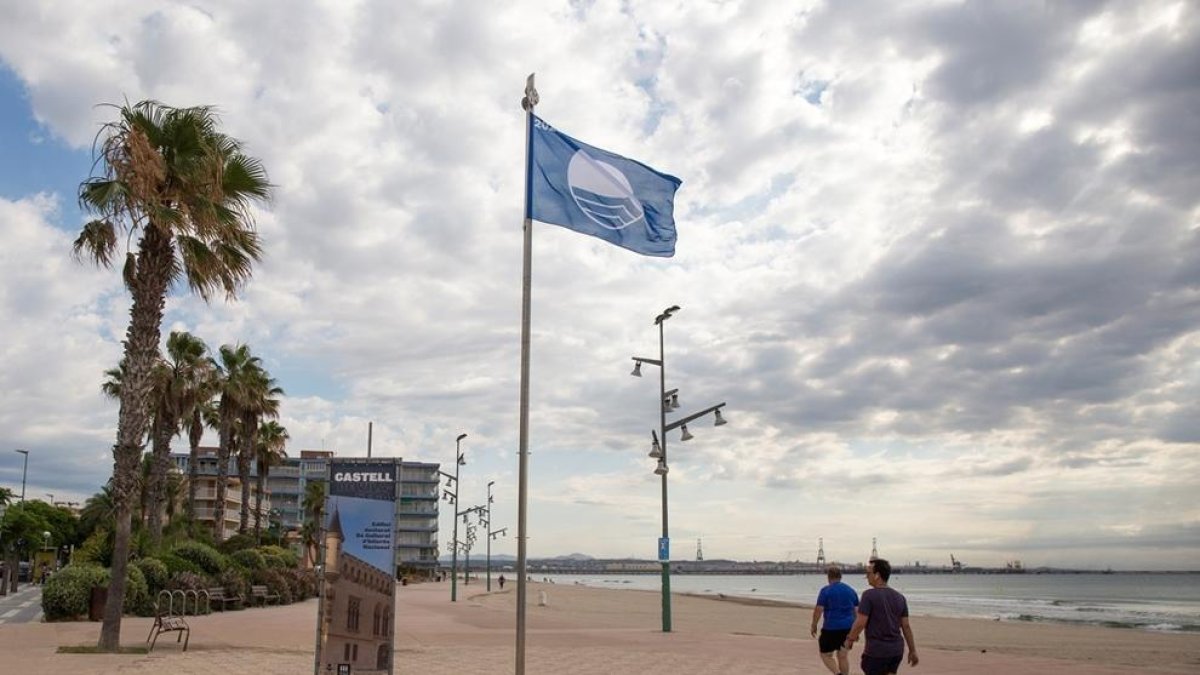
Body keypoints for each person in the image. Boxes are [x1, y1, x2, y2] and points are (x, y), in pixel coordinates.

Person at [845, 558, 919, 675]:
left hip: (876, 651)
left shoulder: (868, 595)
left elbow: (860, 623)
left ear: (877, 575)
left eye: (868, 573)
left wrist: (850, 639)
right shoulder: (900, 597)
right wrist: (912, 650)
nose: (866, 576)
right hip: (896, 650)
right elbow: (906, 626)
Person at [811, 565, 859, 675]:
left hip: (831, 628)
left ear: (829, 577)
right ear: (840, 577)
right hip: (848, 628)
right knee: (843, 655)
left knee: (825, 654)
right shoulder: (851, 591)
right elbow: (856, 611)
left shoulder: (826, 591)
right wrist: (855, 631)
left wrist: (814, 625)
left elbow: (819, 609)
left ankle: (838, 673)